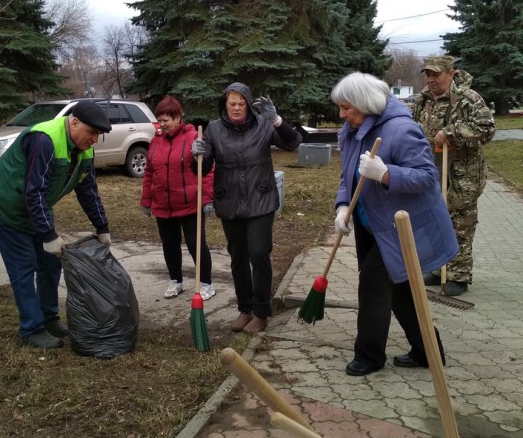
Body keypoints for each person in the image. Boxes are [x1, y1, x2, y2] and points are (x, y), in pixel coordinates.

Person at [332, 72, 458, 376]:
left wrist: (387, 174)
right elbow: (346, 177)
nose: (342, 114)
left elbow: (427, 176)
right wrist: (341, 207)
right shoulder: (350, 132)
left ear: (364, 103)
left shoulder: (401, 130)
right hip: (372, 225)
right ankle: (429, 351)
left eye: (347, 107)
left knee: (374, 285)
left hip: (403, 227)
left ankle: (369, 356)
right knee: (402, 289)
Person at [0, 100, 113, 349]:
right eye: (92, 132)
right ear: (74, 122)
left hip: (36, 203)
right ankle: (31, 329)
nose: (95, 139)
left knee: (51, 261)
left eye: (99, 135)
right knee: (23, 265)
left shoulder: (84, 149)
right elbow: (34, 191)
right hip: (7, 203)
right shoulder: (45, 139)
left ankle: (49, 317)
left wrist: (102, 227)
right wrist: (47, 234)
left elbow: (88, 191)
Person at [191, 83, 301, 333]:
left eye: (241, 103)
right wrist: (196, 154)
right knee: (238, 256)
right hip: (229, 200)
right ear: (225, 105)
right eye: (232, 104)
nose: (237, 108)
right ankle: (245, 309)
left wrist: (276, 120)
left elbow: (292, 143)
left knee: (259, 252)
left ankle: (261, 312)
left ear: (249, 105)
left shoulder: (263, 125)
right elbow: (202, 168)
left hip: (260, 199)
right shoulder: (214, 129)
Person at [413, 55, 495, 297]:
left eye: (436, 74)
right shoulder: (423, 100)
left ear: (451, 73)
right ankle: (440, 269)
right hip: (432, 170)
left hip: (463, 175)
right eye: (427, 74)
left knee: (459, 223)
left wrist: (452, 131)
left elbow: (487, 130)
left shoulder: (468, 99)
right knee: (436, 220)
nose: (430, 79)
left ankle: (458, 275)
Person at [140, 95, 216, 300]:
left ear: (177, 118)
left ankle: (207, 283)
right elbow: (149, 173)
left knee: (196, 245)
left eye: (166, 120)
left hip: (190, 204)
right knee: (169, 245)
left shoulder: (193, 138)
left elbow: (206, 170)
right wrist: (146, 200)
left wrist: (208, 199)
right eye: (159, 120)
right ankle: (176, 281)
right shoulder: (155, 141)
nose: (162, 124)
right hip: (164, 205)